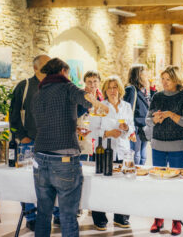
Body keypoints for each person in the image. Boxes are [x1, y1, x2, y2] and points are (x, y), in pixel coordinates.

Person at [32, 58, 109, 237]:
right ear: (63, 72)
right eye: (68, 73)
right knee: (67, 215)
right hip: (64, 159)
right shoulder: (67, 88)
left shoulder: (38, 93)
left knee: (43, 214)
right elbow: (85, 97)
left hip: (40, 158)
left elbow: (44, 124)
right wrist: (98, 104)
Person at [9, 54, 60, 231]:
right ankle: (31, 216)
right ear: (36, 68)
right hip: (28, 143)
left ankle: (56, 213)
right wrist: (22, 136)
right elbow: (14, 115)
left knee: (53, 180)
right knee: (29, 180)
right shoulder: (24, 86)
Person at [146, 65, 183, 236]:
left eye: (168, 79)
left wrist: (170, 114)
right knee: (158, 184)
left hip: (178, 147)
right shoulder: (157, 96)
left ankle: (176, 220)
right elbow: (148, 120)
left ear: (176, 79)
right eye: (163, 79)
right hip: (158, 145)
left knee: (175, 186)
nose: (164, 82)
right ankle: (158, 219)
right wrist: (155, 119)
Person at [91, 75, 135, 231]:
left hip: (122, 151)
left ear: (120, 89)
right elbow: (92, 131)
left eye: (115, 87)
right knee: (101, 185)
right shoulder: (99, 106)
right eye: (109, 87)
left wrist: (126, 129)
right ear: (105, 90)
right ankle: (99, 218)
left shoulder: (127, 106)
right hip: (104, 150)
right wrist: (108, 133)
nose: (112, 90)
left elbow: (132, 127)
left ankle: (121, 216)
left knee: (122, 185)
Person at [123, 64, 156, 165]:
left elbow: (151, 105)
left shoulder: (144, 90)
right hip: (135, 126)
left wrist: (153, 90)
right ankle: (135, 173)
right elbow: (127, 109)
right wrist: (130, 128)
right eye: (144, 72)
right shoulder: (131, 89)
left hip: (144, 126)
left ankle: (141, 174)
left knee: (143, 154)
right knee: (136, 154)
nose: (147, 74)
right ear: (138, 75)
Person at [77, 71, 104, 161]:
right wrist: (88, 106)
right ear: (85, 82)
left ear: (99, 82)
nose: (92, 84)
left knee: (96, 165)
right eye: (89, 82)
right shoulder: (80, 96)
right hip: (84, 134)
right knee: (83, 163)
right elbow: (75, 114)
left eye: (95, 81)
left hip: (98, 135)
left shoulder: (102, 97)